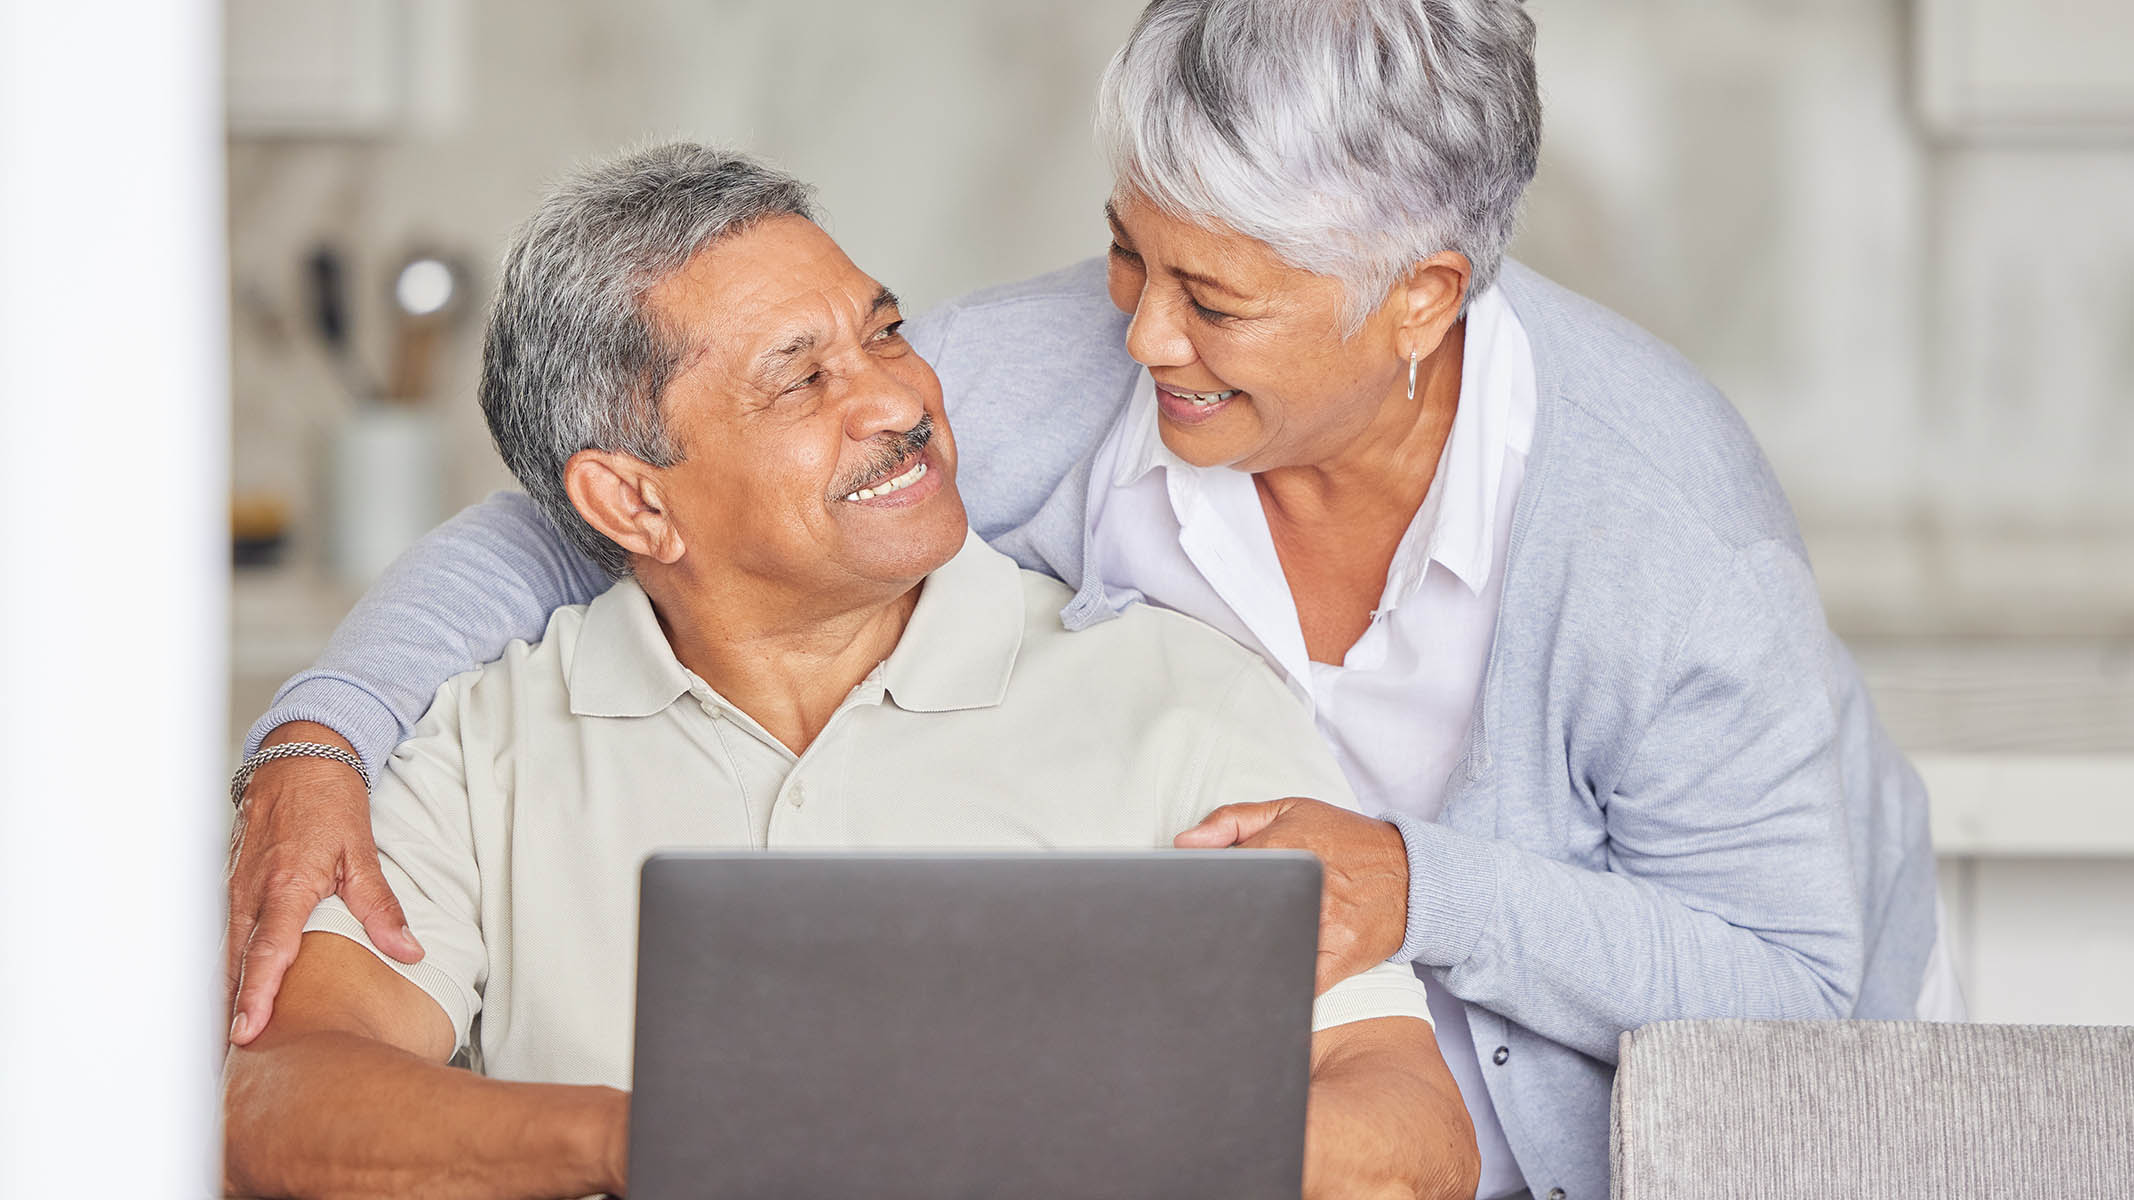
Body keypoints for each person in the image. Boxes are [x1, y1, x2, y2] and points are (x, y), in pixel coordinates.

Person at [229, 2, 1951, 1197]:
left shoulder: (1656, 539)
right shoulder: (1025, 378)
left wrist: (1421, 886)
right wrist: (322, 732)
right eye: (1125, 252)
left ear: (1416, 298)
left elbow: (1789, 1009)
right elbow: (596, 512)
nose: (1133, 337)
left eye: (1208, 295)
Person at [221, 145, 1478, 1199]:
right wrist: (640, 1140)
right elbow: (278, 1103)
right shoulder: (480, 745)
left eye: (883, 333)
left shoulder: (1179, 699)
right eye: (802, 380)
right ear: (629, 501)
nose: (895, 399)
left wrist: (1046, 1155)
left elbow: (1410, 1134)